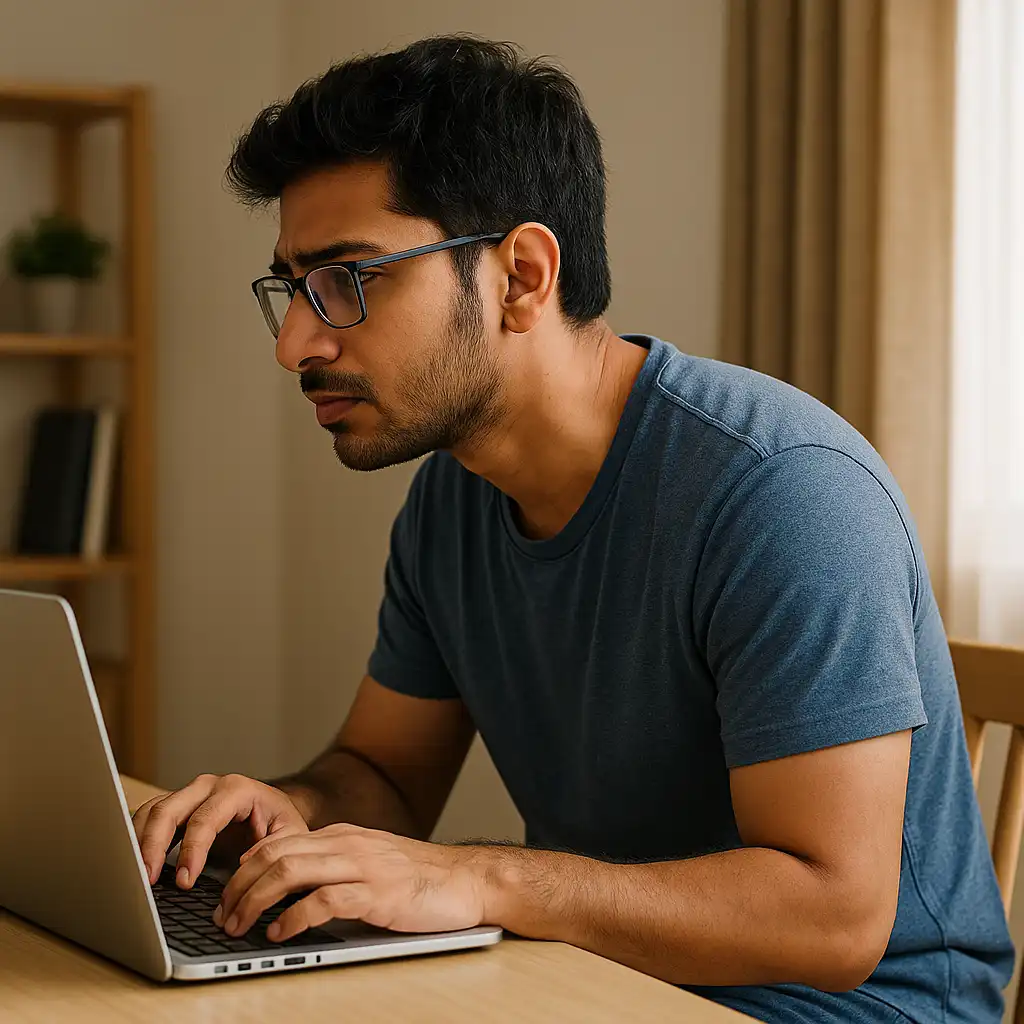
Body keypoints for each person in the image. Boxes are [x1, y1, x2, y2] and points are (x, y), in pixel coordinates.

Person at [132, 35, 1013, 1023]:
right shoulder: (454, 494)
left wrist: (477, 881)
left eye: (348, 279)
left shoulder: (780, 493)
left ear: (519, 276)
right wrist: (290, 807)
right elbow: (382, 774)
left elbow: (833, 921)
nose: (298, 339)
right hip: (598, 984)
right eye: (291, 289)